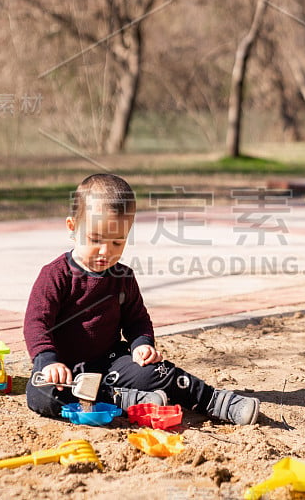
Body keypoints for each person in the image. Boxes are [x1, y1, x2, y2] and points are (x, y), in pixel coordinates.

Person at [23, 173, 260, 425]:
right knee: (41, 395)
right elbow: (36, 323)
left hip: (111, 364)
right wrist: (47, 361)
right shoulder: (56, 274)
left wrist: (141, 344)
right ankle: (124, 400)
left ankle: (214, 400)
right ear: (73, 227)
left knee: (158, 371)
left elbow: (137, 320)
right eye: (95, 240)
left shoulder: (122, 276)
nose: (106, 251)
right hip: (66, 370)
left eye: (117, 242)